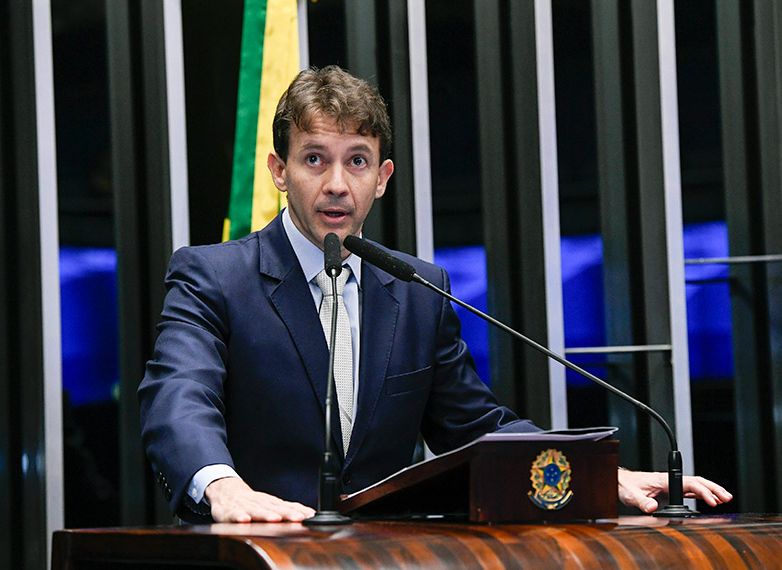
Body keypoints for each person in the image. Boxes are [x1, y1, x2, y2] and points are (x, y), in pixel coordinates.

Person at [138, 65, 731, 524]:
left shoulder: (417, 291)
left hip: (386, 556)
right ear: (278, 170)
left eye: (357, 162)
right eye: (314, 159)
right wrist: (222, 486)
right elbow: (177, 397)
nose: (337, 184)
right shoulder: (214, 277)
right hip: (258, 551)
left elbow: (476, 430)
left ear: (382, 178)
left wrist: (594, 474)